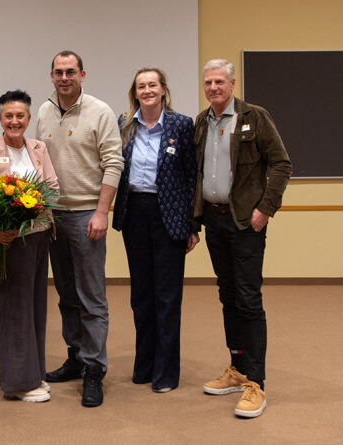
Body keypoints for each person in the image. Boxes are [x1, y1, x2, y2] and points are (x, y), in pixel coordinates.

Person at [193, 59, 292, 418]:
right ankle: (236, 368)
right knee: (228, 295)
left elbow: (282, 164)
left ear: (232, 84)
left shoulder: (255, 117)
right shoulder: (202, 122)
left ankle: (257, 383)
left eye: (220, 81)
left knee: (249, 300)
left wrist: (266, 207)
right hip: (215, 222)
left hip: (245, 224)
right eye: (208, 82)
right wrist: (195, 220)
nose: (213, 87)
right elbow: (197, 173)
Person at [36, 50, 123, 408]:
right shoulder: (42, 112)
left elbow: (113, 162)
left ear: (83, 75)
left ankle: (94, 370)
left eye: (71, 71)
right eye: (58, 72)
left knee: (91, 297)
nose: (64, 77)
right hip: (53, 216)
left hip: (87, 214)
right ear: (51, 76)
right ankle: (76, 356)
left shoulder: (99, 112)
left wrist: (102, 212)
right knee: (67, 295)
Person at [112, 68, 198, 393]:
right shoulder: (124, 124)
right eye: (141, 86)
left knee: (167, 296)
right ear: (135, 92)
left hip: (170, 217)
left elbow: (192, 176)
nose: (147, 90)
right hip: (134, 212)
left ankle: (165, 372)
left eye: (153, 85)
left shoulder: (181, 124)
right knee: (141, 296)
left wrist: (192, 224)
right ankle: (144, 365)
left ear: (163, 90)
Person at [0, 90, 59, 403]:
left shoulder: (39, 148)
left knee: (35, 306)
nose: (14, 121)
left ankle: (33, 372)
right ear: (0, 119)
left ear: (28, 119)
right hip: (8, 241)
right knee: (13, 310)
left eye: (20, 116)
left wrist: (36, 206)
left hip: (37, 237)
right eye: (8, 116)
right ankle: (17, 382)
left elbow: (51, 186)